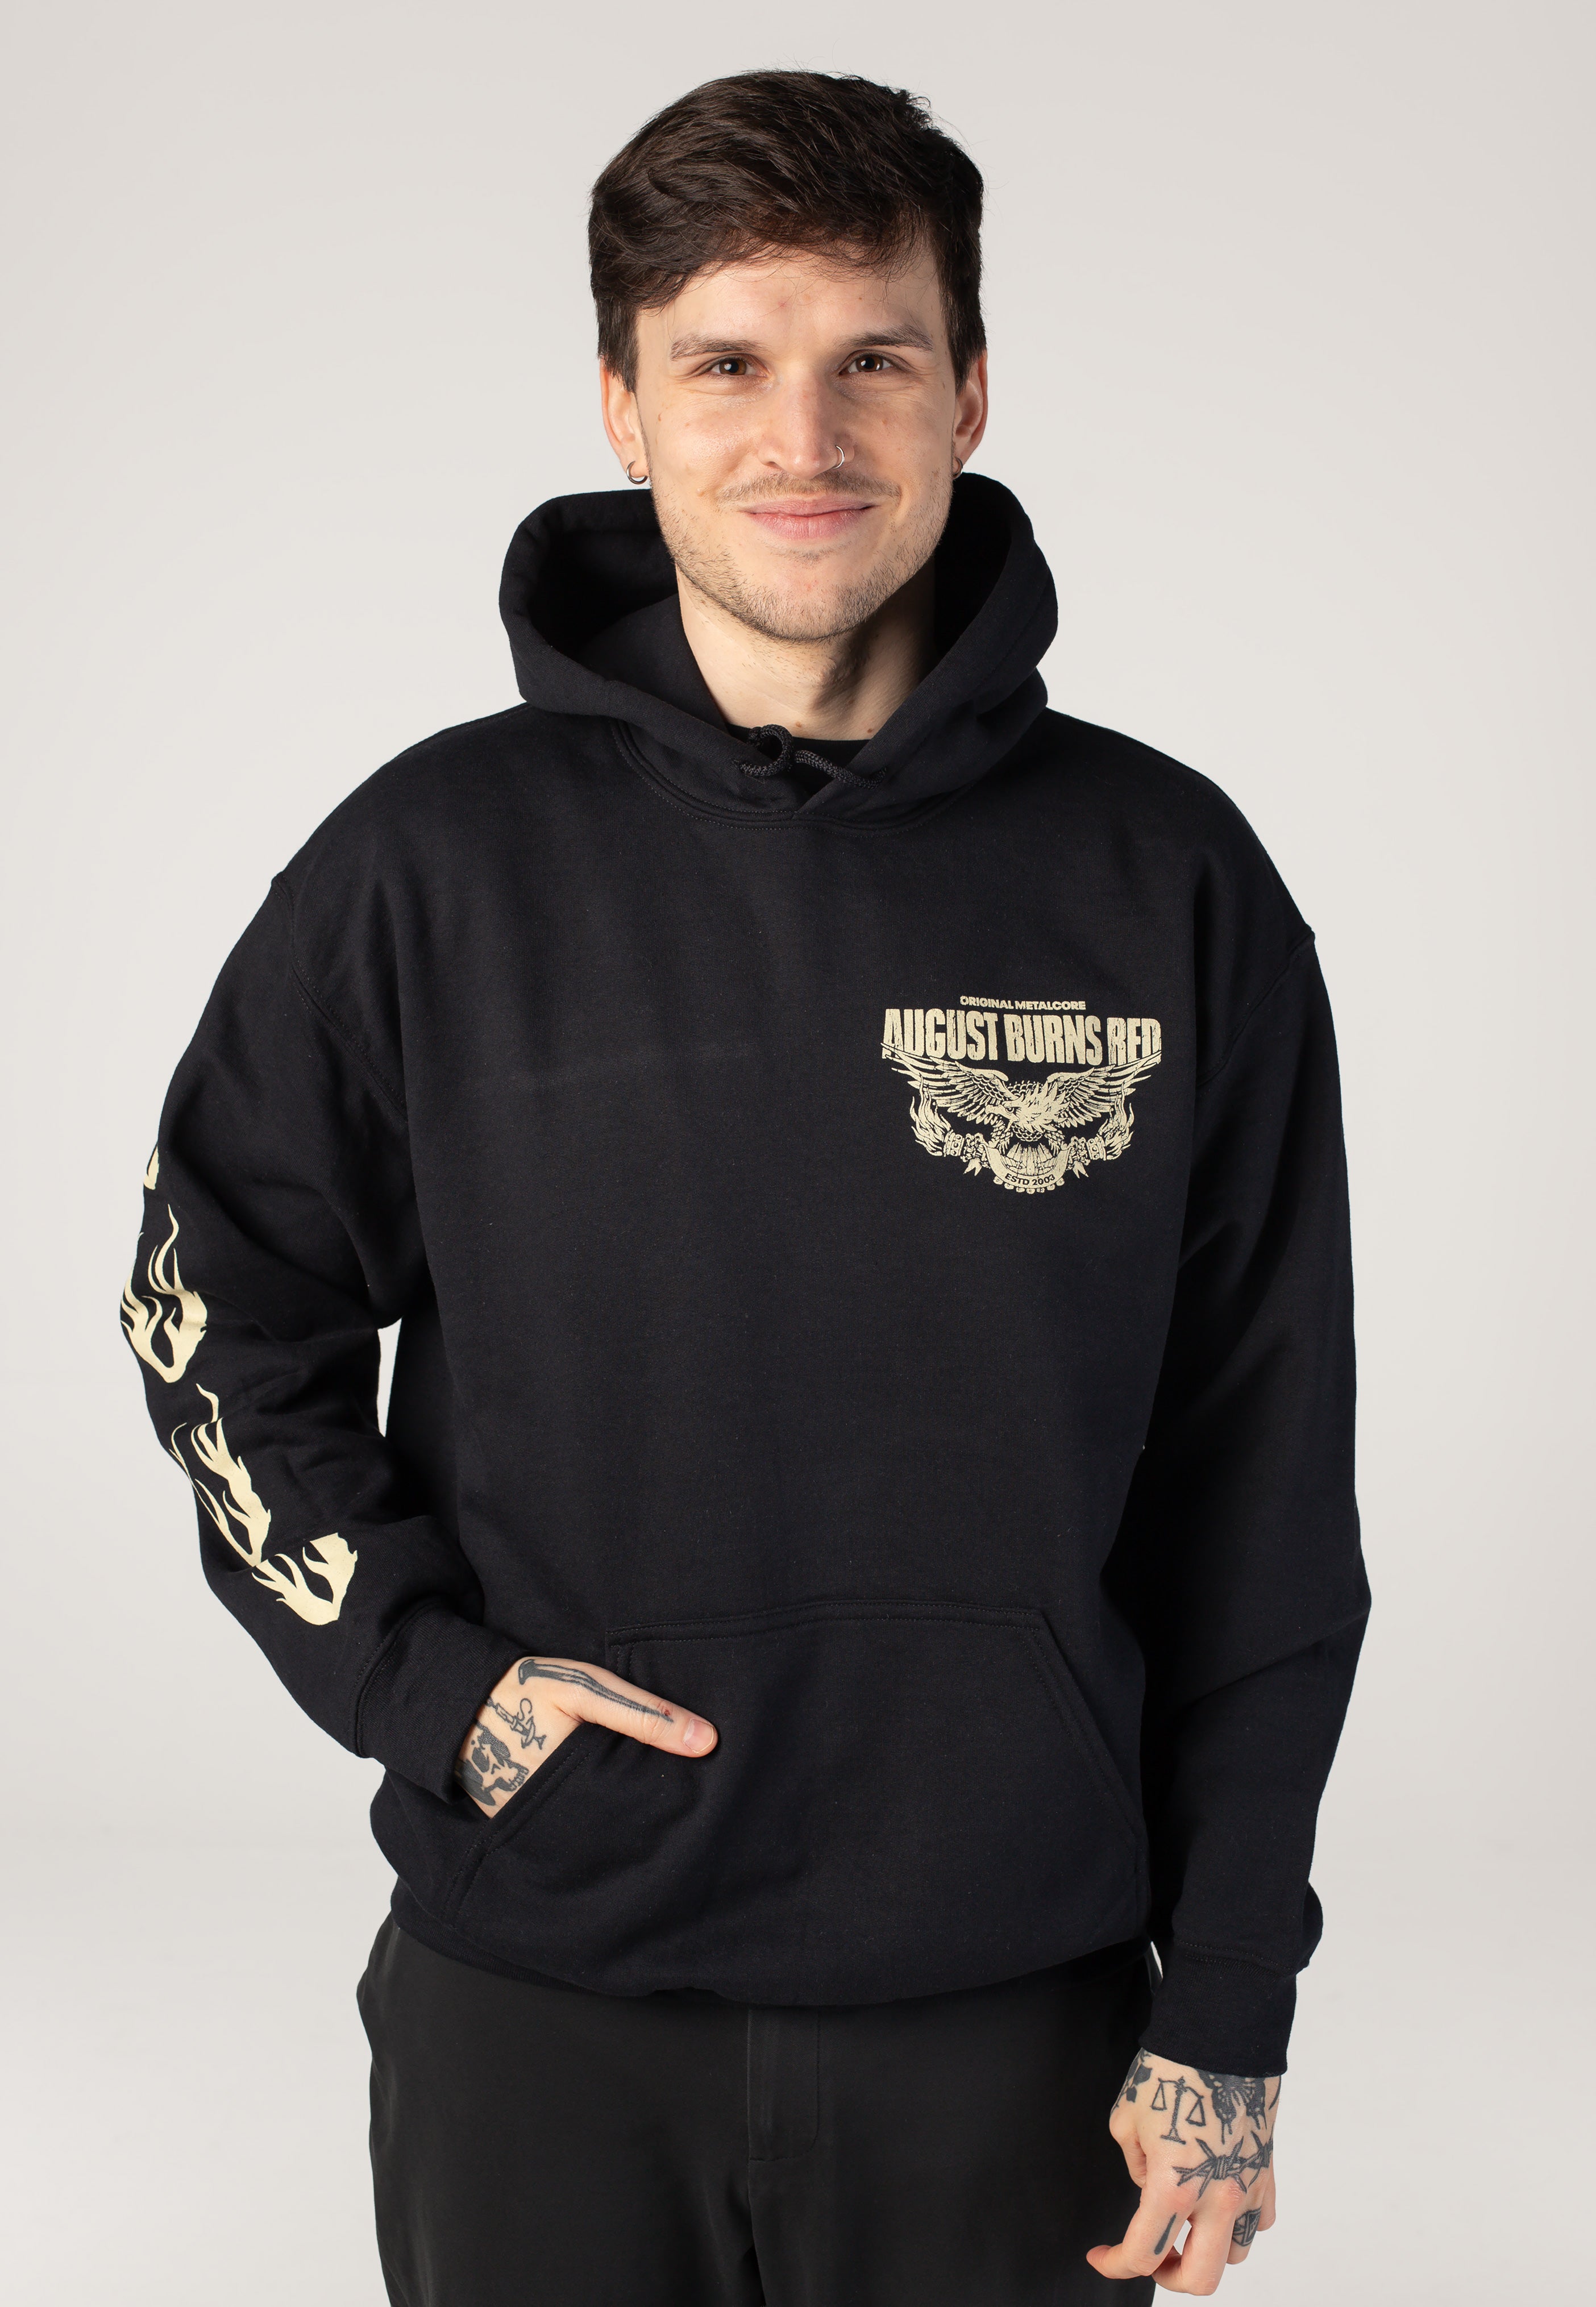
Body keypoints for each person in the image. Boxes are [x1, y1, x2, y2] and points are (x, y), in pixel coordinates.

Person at [120, 68, 1369, 2305]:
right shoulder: (427, 869)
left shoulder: (1169, 884)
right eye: (724, 362)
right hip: (539, 2000)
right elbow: (211, 1305)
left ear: (968, 392)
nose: (805, 433)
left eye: (872, 356)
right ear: (623, 405)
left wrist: (1233, 2004)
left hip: (1016, 2012)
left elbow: (1265, 1483)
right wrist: (428, 1682)